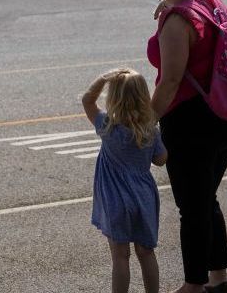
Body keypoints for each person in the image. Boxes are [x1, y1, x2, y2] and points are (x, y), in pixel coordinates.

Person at [148, 0, 227, 293]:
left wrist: (146, 123)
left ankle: (193, 285)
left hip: (192, 127)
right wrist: (170, 6)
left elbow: (171, 80)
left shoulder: (178, 21)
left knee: (192, 208)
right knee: (206, 199)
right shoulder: (210, 2)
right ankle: (218, 280)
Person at [82, 68, 168, 293]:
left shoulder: (107, 127)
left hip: (115, 200)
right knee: (146, 253)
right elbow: (161, 160)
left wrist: (103, 77)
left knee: (120, 256)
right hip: (143, 198)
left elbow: (87, 100)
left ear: (114, 98)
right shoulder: (150, 130)